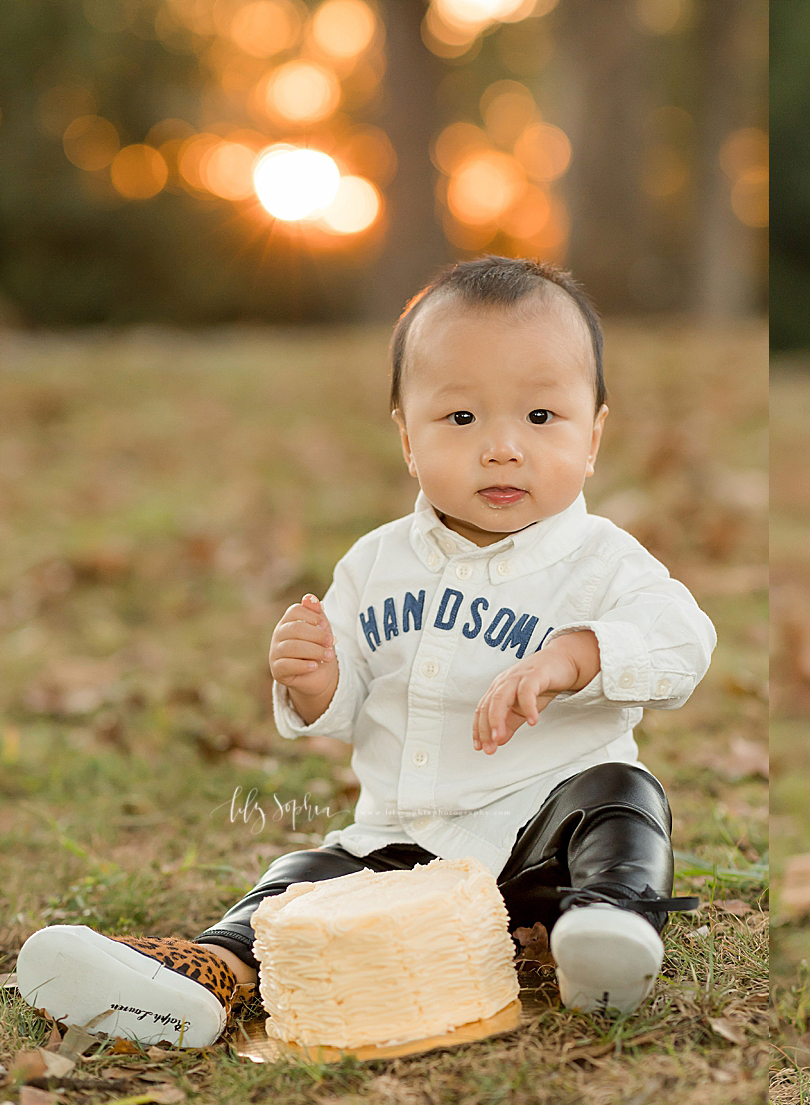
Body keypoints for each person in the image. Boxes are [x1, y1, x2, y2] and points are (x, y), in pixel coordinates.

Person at [14, 257, 716, 1049]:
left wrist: (576, 656)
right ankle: (203, 977)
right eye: (461, 419)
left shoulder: (603, 560)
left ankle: (608, 928)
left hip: (542, 844)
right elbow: (345, 703)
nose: (501, 448)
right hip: (401, 850)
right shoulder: (377, 563)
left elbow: (684, 640)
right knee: (298, 882)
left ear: (594, 435)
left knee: (624, 794)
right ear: (408, 439)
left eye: (542, 417)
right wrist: (318, 679)